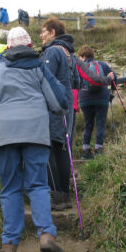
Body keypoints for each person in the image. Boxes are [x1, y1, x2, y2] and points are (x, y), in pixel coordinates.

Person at [0, 27, 67, 252]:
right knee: (38, 186)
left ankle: (9, 244)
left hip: (4, 132)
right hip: (35, 131)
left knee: (11, 188)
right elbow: (59, 102)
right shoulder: (38, 66)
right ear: (31, 46)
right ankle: (46, 235)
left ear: (9, 47)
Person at [39, 17, 80, 211]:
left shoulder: (52, 51)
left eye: (43, 31)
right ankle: (65, 195)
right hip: (67, 109)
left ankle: (56, 196)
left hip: (53, 109)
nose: (41, 35)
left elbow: (43, 79)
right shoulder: (70, 54)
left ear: (53, 32)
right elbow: (78, 83)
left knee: (49, 150)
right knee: (62, 150)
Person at [77, 45, 117, 159]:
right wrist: (112, 93)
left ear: (83, 56)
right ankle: (98, 150)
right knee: (100, 123)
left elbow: (77, 81)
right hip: (102, 97)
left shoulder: (81, 66)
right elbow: (115, 77)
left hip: (85, 98)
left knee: (88, 124)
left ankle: (86, 151)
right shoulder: (102, 65)